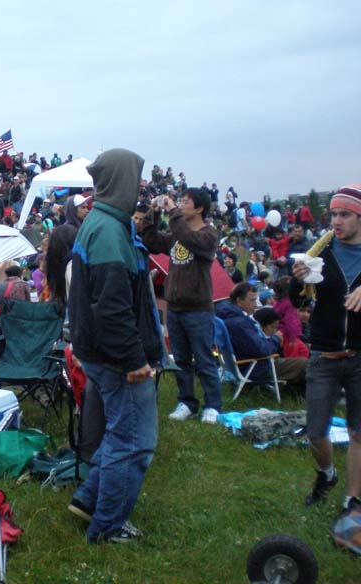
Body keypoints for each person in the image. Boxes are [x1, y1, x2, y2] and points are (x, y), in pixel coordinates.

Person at [66, 148, 163, 544]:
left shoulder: (107, 222)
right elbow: (111, 307)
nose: (139, 186)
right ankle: (106, 527)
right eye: (136, 178)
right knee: (136, 441)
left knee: (120, 432)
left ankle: (89, 499)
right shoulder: (107, 229)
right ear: (122, 180)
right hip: (117, 357)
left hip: (101, 353)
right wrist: (135, 359)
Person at [290, 184, 361, 513]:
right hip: (323, 354)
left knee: (358, 432)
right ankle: (327, 474)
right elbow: (299, 301)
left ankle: (352, 500)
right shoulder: (320, 252)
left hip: (359, 356)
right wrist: (297, 280)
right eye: (333, 214)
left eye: (344, 214)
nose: (336, 221)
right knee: (316, 433)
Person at [142, 187, 222, 423]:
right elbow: (151, 241)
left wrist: (173, 213)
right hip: (175, 307)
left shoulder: (209, 234)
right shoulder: (178, 233)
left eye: (186, 202)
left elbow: (190, 240)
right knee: (182, 360)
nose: (181, 205)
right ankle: (186, 401)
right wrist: (153, 215)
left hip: (198, 308)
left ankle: (213, 405)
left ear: (199, 208)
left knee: (204, 359)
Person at [216, 282, 307, 389]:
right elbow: (262, 349)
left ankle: (292, 391)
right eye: (252, 300)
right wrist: (276, 338)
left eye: (256, 299)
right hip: (256, 368)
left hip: (239, 366)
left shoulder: (224, 317)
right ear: (239, 301)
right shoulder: (239, 324)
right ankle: (304, 396)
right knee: (305, 363)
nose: (255, 304)